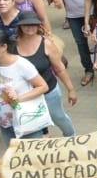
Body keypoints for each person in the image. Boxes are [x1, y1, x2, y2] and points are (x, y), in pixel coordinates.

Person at [0, 28, 51, 152]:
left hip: (25, 118)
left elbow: (43, 86)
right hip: (4, 120)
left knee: (33, 155)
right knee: (14, 155)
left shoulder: (22, 64)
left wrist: (19, 98)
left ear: (4, 47)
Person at [13, 9, 78, 137]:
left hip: (49, 90)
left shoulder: (46, 44)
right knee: (33, 121)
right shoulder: (13, 45)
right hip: (25, 93)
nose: (30, 27)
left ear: (38, 25)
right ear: (20, 26)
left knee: (58, 117)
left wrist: (71, 90)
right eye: (26, 24)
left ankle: (71, 136)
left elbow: (59, 68)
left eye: (33, 24)